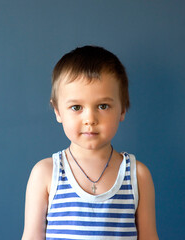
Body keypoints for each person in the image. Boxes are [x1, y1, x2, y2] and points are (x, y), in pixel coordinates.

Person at [22, 46, 158, 240]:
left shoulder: (137, 176)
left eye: (103, 106)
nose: (90, 119)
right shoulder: (45, 174)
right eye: (76, 107)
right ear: (58, 111)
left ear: (122, 109)